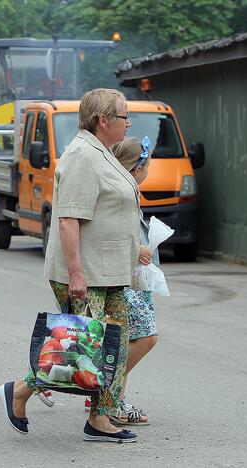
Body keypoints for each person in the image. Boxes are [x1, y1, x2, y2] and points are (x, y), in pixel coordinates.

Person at [0, 88, 140, 443]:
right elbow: (68, 220)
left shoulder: (101, 153)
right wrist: (76, 273)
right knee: (79, 348)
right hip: (86, 273)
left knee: (114, 345)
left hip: (108, 272)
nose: (128, 123)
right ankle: (18, 390)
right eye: (124, 117)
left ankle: (100, 418)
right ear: (103, 121)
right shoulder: (81, 156)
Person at [109, 136, 158, 426]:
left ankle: (114, 399)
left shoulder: (128, 191)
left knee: (128, 340)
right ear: (138, 169)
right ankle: (107, 390)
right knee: (145, 337)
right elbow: (116, 233)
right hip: (125, 280)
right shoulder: (125, 193)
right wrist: (136, 249)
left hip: (131, 278)